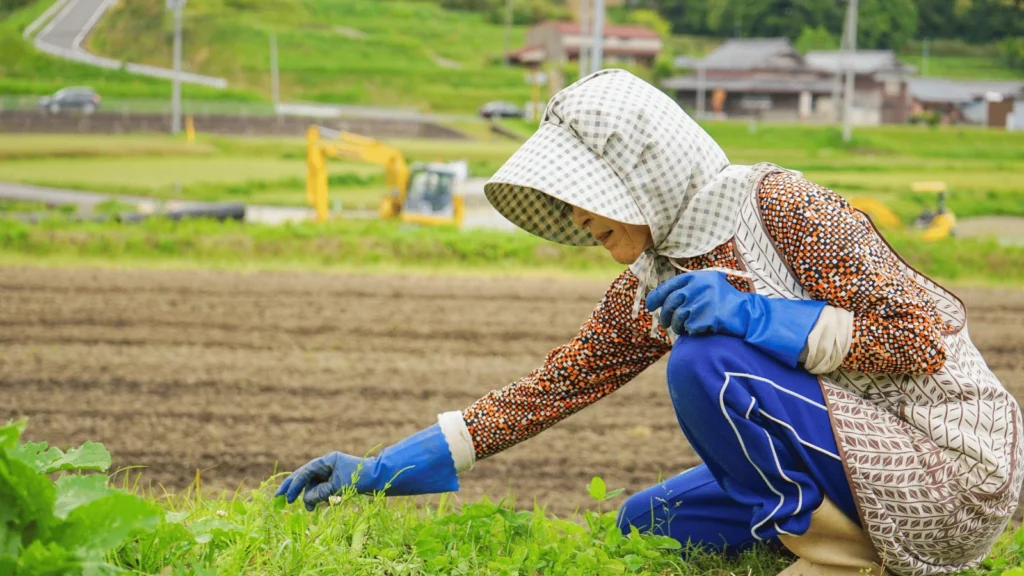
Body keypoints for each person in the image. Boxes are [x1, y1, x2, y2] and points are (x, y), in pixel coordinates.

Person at [275, 70, 1022, 576]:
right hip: (850, 455)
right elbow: (550, 389)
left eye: (585, 192)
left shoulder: (780, 206)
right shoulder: (653, 279)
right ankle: (829, 533)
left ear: (644, 175)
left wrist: (756, 314)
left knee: (704, 362)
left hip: (951, 470)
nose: (575, 217)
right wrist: (376, 471)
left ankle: (842, 559)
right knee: (649, 521)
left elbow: (920, 338)